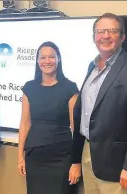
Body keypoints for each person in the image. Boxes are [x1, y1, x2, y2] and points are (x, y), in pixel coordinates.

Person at [70, 13, 127, 194]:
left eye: (112, 31)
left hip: (119, 165)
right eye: (100, 31)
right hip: (89, 155)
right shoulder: (91, 67)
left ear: (123, 37)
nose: (105, 36)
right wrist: (77, 157)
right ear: (94, 37)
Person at [17, 41, 79, 194]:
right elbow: (25, 124)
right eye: (43, 57)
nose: (47, 61)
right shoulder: (29, 87)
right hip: (35, 155)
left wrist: (76, 162)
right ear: (37, 61)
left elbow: (75, 128)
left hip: (62, 156)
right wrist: (20, 157)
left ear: (59, 59)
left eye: (51, 57)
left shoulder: (70, 88)